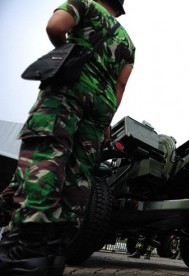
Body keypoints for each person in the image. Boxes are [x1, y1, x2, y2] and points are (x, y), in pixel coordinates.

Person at [0, 0, 135, 275]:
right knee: (79, 173)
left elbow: (56, 25)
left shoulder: (85, 5)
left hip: (68, 91)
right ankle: (55, 250)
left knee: (45, 156)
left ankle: (27, 248)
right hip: (101, 107)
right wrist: (106, 119)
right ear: (119, 8)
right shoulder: (128, 43)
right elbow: (121, 85)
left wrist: (64, 52)